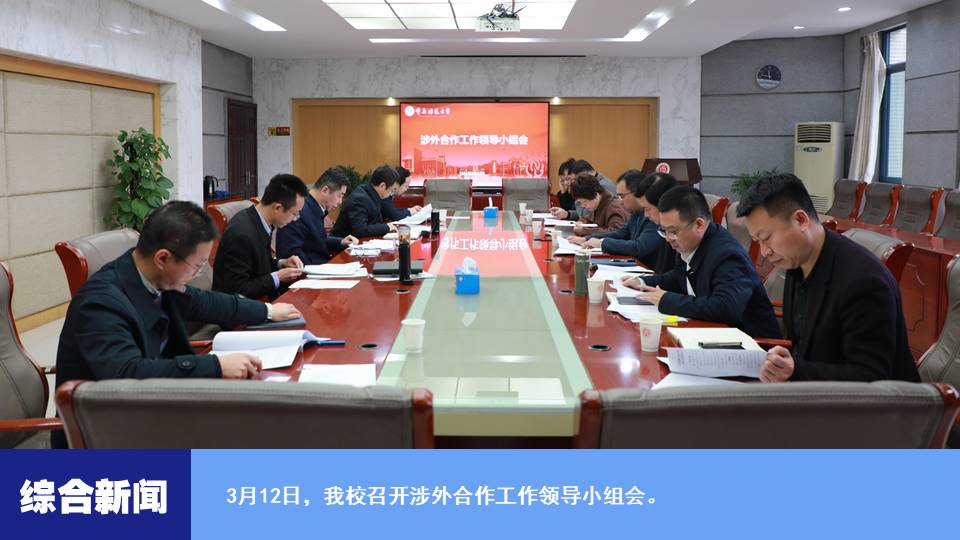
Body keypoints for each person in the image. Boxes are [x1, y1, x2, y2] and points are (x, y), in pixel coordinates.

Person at [53, 201, 302, 447]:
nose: (198, 274)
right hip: (103, 435)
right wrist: (215, 366)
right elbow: (126, 376)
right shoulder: (100, 303)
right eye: (198, 266)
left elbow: (207, 302)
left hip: (155, 409)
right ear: (163, 258)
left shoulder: (154, 278)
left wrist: (268, 310)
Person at [737, 173, 920, 382]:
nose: (764, 252)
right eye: (757, 241)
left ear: (800, 220)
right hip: (814, 394)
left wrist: (795, 371)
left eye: (766, 238)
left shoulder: (863, 281)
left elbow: (870, 377)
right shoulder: (797, 262)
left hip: (881, 402)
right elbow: (801, 347)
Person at [622, 186, 780, 338]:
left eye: (673, 231)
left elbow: (726, 308)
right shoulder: (690, 243)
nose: (668, 238)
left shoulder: (727, 255)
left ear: (699, 224)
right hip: (711, 335)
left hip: (751, 344)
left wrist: (667, 300)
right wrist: (642, 281)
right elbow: (679, 277)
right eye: (664, 231)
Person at [213, 173, 308, 300]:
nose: (295, 219)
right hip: (240, 307)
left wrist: (282, 263)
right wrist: (278, 277)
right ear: (277, 208)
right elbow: (237, 290)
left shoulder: (258, 220)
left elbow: (257, 266)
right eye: (295, 214)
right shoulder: (242, 235)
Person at [567, 170, 664, 269]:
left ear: (637, 193)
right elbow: (619, 233)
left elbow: (638, 247)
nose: (620, 201)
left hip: (646, 269)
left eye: (622, 196)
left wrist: (601, 243)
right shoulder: (636, 213)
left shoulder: (653, 215)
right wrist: (587, 239)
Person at [277, 167, 359, 265]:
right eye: (339, 195)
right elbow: (292, 254)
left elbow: (315, 240)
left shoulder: (314, 207)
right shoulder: (298, 209)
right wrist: (322, 269)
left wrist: (341, 242)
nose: (340, 201)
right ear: (325, 190)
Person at [331, 165, 400, 238]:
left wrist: (387, 227)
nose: (391, 194)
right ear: (382, 186)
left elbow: (376, 222)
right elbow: (361, 230)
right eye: (391, 190)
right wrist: (387, 227)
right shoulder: (360, 199)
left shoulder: (372, 194)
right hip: (343, 243)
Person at [637, 172, 679, 273]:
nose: (646, 215)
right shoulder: (664, 229)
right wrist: (642, 280)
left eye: (647, 209)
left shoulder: (680, 233)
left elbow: (678, 276)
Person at [549, 159, 617, 220]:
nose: (571, 183)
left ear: (587, 174)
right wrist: (568, 214)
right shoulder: (593, 183)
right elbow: (586, 215)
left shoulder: (602, 187)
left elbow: (585, 215)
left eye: (575, 179)